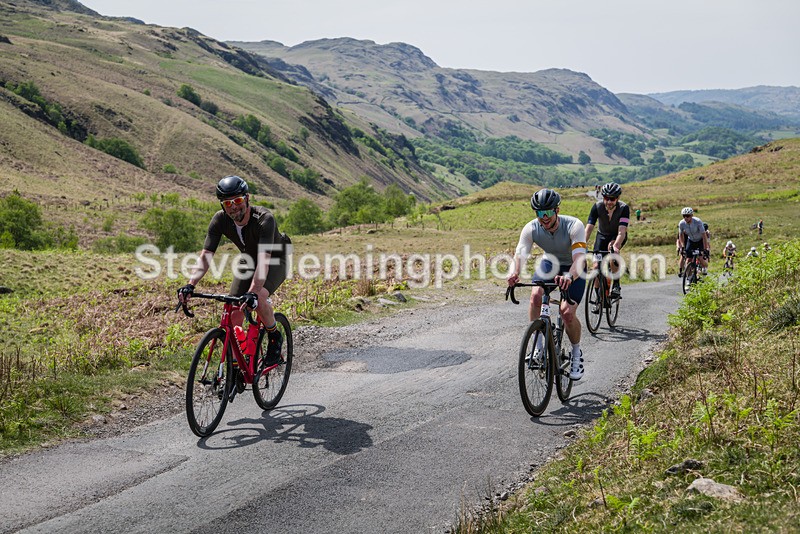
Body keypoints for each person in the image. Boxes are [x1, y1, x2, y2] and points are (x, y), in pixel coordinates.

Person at [177, 175, 289, 366]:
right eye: (227, 203)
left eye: (237, 201)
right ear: (222, 205)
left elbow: (264, 262)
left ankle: (274, 336)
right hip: (248, 261)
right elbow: (206, 255)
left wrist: (253, 293)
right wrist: (190, 284)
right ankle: (235, 364)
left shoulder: (264, 219)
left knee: (259, 296)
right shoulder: (220, 220)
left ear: (247, 198)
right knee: (233, 308)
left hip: (275, 259)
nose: (233, 207)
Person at [508, 188, 587, 380]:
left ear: (557, 210)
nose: (544, 217)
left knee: (567, 313)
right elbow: (520, 253)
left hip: (573, 266)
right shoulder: (531, 228)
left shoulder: (574, 226)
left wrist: (569, 276)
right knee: (535, 296)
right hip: (549, 263)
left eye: (548, 212)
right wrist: (513, 272)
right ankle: (539, 346)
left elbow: (579, 259)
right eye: (539, 213)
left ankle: (576, 354)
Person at [585, 182, 629, 298]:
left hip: (617, 236)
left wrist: (616, 246)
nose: (609, 202)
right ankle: (599, 299)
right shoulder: (597, 207)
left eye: (612, 199)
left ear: (618, 198)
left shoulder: (624, 208)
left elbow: (622, 231)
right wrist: (581, 244)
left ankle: (616, 285)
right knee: (596, 267)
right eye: (606, 198)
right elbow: (589, 228)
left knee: (612, 254)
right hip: (602, 236)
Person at [677, 207, 710, 275]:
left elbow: (704, 235)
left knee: (700, 258)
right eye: (684, 216)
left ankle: (704, 267)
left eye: (688, 216)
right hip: (691, 241)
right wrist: (683, 246)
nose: (686, 218)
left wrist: (705, 248)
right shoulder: (681, 223)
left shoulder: (698, 222)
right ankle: (689, 278)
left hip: (700, 240)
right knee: (688, 260)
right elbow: (681, 235)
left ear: (692, 215)